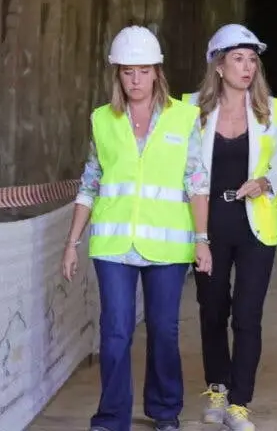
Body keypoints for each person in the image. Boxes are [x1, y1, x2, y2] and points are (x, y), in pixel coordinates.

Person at [60, 25, 213, 431]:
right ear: (117, 74)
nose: (136, 80)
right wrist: (72, 242)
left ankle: (165, 412)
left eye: (144, 71)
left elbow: (197, 181)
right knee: (115, 333)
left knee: (163, 331)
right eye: (128, 72)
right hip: (113, 245)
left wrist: (202, 239)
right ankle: (111, 417)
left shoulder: (184, 118)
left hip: (167, 246)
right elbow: (90, 182)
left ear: (157, 72)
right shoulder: (102, 120)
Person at [184, 24, 277, 431]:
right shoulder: (190, 110)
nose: (247, 67)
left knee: (247, 315)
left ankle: (240, 403)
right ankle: (217, 388)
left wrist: (266, 182)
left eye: (252, 59)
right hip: (208, 223)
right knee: (212, 311)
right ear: (218, 64)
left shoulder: (273, 111)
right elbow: (183, 167)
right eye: (238, 59)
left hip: (255, 226)